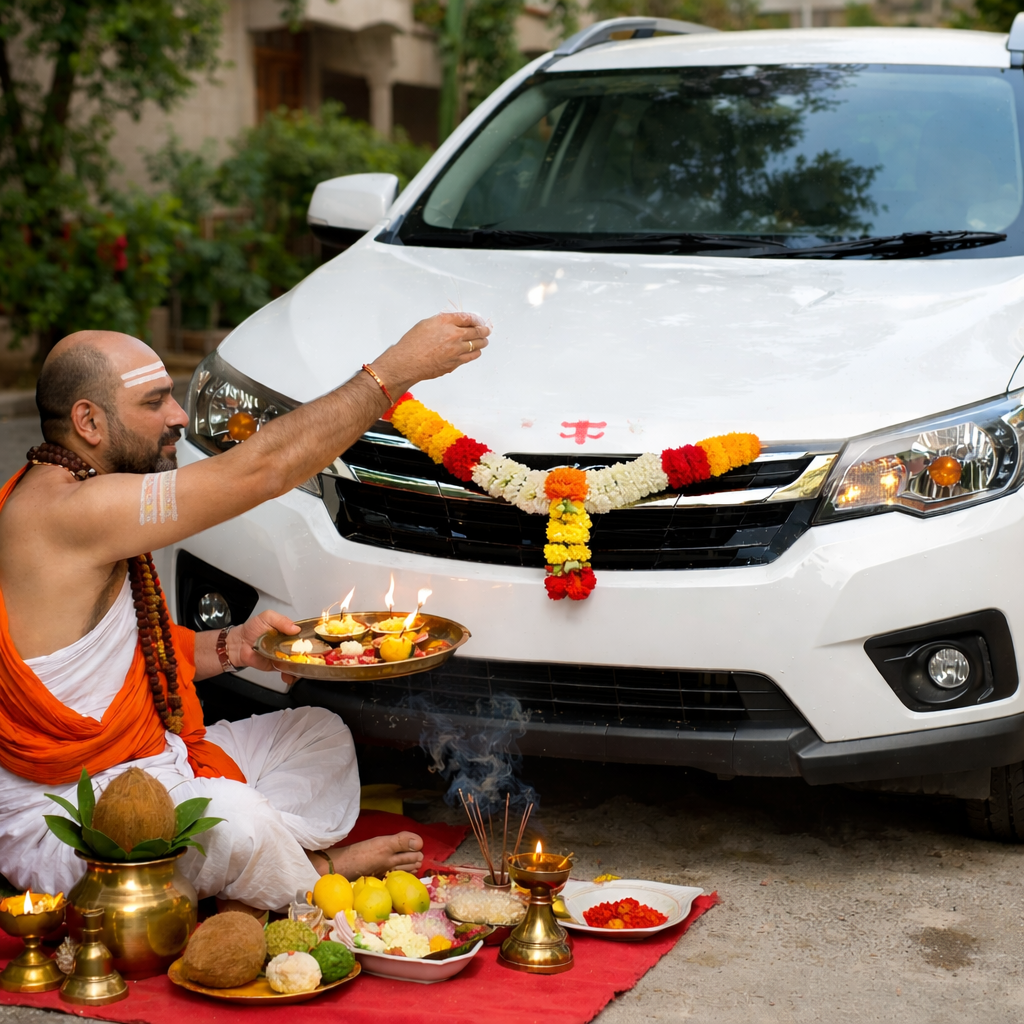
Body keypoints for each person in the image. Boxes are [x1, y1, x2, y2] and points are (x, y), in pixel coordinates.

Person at [0, 312, 489, 911]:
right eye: (155, 402)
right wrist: (392, 373)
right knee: (233, 818)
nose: (179, 417)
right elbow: (262, 469)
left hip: (154, 756)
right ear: (88, 422)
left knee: (319, 733)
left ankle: (244, 874)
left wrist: (238, 647)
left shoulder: (82, 493)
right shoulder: (70, 511)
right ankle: (313, 876)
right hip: (80, 814)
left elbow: (130, 661)